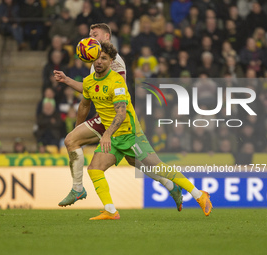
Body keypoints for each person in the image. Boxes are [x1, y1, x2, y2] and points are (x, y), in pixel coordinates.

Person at [54, 23, 182, 210]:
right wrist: (66, 80)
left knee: (139, 161)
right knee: (73, 141)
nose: (90, 38)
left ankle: (171, 184)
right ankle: (78, 188)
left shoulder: (113, 62)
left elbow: (118, 91)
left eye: (94, 34)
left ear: (106, 37)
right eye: (89, 35)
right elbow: (88, 89)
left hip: (116, 119)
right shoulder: (96, 59)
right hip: (104, 118)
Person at [77, 42, 212, 220]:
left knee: (158, 167)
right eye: (97, 58)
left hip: (130, 134)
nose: (99, 61)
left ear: (111, 61)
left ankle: (199, 195)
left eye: (104, 58)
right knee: (94, 169)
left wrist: (106, 135)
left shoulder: (117, 81)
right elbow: (85, 103)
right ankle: (110, 210)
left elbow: (121, 113)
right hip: (113, 138)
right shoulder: (89, 81)